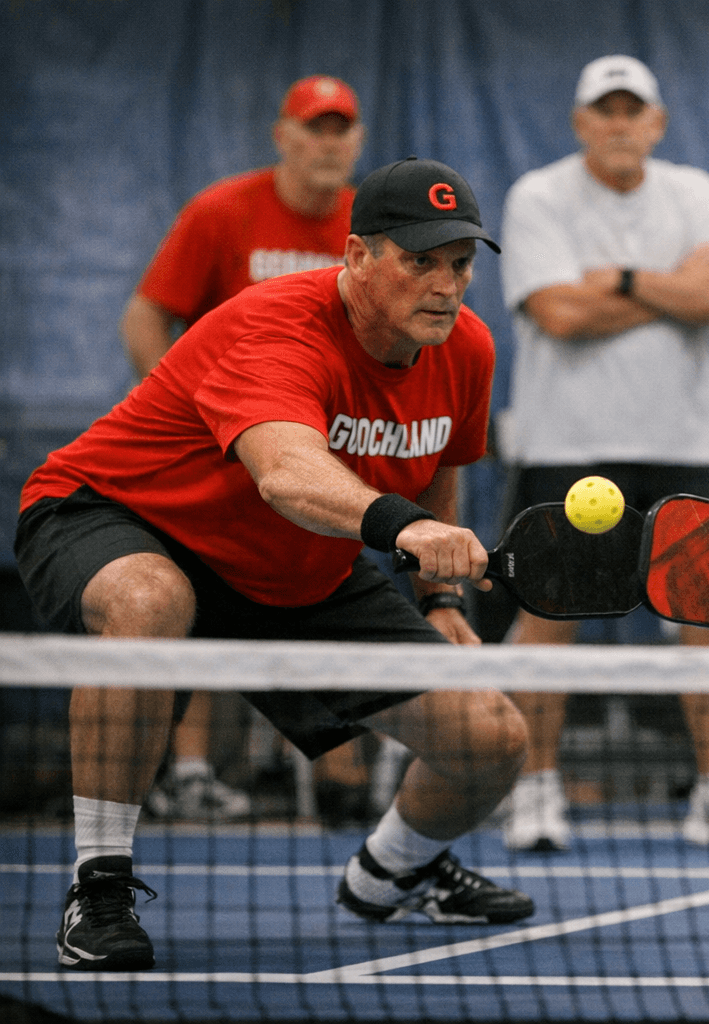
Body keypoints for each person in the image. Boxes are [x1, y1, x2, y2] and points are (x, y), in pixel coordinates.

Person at [17, 158, 535, 972]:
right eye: (420, 260)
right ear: (359, 257)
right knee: (151, 599)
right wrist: (404, 532)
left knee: (491, 738)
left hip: (293, 562)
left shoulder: (464, 346)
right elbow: (287, 473)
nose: (446, 284)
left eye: (461, 263)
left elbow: (440, 463)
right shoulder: (273, 327)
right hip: (124, 514)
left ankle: (392, 871)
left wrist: (442, 598)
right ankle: (100, 886)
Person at [497, 55, 709, 851]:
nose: (620, 124)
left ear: (656, 122)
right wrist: (668, 290)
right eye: (605, 110)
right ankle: (535, 794)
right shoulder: (539, 197)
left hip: (683, 445)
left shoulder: (692, 192)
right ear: (581, 122)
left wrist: (618, 279)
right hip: (569, 446)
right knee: (549, 621)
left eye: (634, 110)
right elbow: (556, 313)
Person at [120, 74, 368, 821]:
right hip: (220, 452)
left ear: (357, 142)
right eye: (314, 128)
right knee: (191, 594)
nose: (328, 143)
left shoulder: (369, 225)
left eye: (342, 129)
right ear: (283, 136)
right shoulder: (222, 211)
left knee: (329, 593)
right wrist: (200, 415)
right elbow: (145, 317)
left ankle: (337, 774)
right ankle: (190, 768)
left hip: (324, 454)